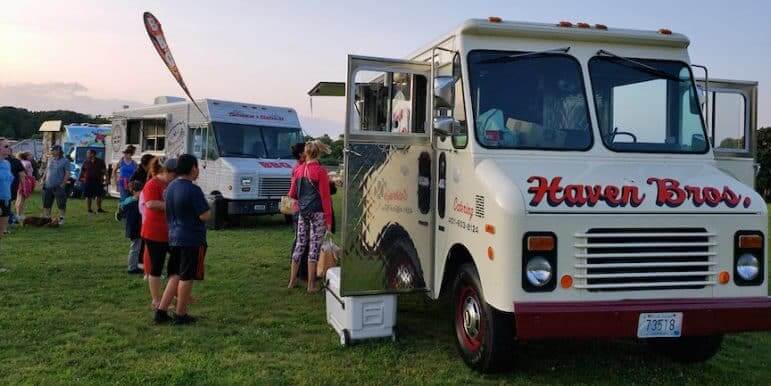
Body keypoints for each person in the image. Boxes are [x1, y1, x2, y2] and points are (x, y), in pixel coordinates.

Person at [155, 154, 210, 325]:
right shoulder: (193, 190)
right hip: (190, 238)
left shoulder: (170, 187)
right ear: (193, 168)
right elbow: (204, 215)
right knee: (187, 276)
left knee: (176, 274)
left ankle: (161, 311)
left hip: (174, 236)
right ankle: (181, 314)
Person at [287, 141, 333, 292]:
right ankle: (311, 285)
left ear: (305, 153)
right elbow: (325, 198)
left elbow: (292, 194)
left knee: (300, 244)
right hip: (318, 213)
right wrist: (329, 220)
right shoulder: (321, 171)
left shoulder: (298, 170)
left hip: (303, 212)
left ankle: (292, 281)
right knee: (313, 247)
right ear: (318, 153)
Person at [141, 157, 176, 310]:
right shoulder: (153, 184)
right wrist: (174, 205)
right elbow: (151, 204)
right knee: (156, 266)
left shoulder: (171, 184)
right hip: (154, 232)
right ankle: (156, 300)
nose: (176, 178)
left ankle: (176, 294)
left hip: (171, 232)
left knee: (177, 264)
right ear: (166, 172)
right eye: (174, 175)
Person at [116, 180, 145, 274]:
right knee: (135, 249)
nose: (142, 193)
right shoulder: (132, 204)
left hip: (134, 229)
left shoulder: (128, 201)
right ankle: (132, 268)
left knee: (136, 248)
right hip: (135, 229)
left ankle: (134, 265)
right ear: (134, 191)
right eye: (140, 191)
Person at [41, 145, 70, 225]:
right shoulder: (50, 159)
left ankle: (62, 218)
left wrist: (63, 184)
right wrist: (43, 179)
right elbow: (47, 170)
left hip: (58, 186)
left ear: (58, 151)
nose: (51, 151)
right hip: (47, 185)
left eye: (53, 150)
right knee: (46, 203)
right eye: (51, 150)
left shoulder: (65, 161)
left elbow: (67, 173)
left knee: (61, 203)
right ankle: (47, 218)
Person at [79, 149, 107, 213]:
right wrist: (80, 178)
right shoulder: (85, 162)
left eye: (88, 153)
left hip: (98, 180)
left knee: (99, 195)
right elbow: (82, 171)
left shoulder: (100, 161)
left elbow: (105, 171)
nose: (87, 154)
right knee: (88, 196)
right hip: (88, 181)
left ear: (92, 154)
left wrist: (107, 179)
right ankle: (89, 209)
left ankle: (99, 209)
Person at [0, 138, 13, 250]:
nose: (9, 148)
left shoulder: (7, 164)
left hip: (6, 200)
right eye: (6, 146)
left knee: (1, 232)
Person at [15, 152, 36, 221]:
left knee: (19, 198)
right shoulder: (28, 163)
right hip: (26, 180)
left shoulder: (20, 161)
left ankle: (18, 214)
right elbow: (24, 171)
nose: (32, 156)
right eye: (30, 155)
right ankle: (19, 215)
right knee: (22, 199)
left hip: (20, 181)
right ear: (26, 156)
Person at [7, 152, 24, 228]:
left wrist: (23, 185)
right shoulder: (16, 161)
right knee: (9, 203)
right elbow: (22, 175)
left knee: (8, 203)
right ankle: (13, 218)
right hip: (12, 185)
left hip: (12, 185)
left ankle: (11, 219)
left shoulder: (16, 161)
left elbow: (22, 174)